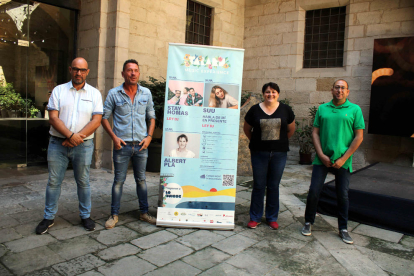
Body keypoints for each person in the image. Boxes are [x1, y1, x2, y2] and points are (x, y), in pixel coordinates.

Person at [35, 57, 103, 234]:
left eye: (82, 70)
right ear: (70, 70)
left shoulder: (95, 94)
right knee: (53, 182)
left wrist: (76, 138)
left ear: (87, 72)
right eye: (75, 69)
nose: (78, 73)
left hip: (84, 145)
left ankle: (85, 216)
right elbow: (53, 118)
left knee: (83, 181)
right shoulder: (58, 91)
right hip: (58, 144)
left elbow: (97, 120)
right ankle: (48, 217)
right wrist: (70, 136)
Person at [301, 79, 364, 244]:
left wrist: (344, 158)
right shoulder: (322, 108)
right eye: (337, 87)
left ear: (348, 92)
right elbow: (315, 133)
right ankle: (308, 222)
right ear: (332, 90)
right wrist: (320, 154)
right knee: (314, 191)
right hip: (322, 158)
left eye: (343, 88)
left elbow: (359, 136)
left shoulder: (355, 109)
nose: (340, 90)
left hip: (343, 160)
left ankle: (343, 228)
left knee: (342, 194)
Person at [102, 59, 156, 229]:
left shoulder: (146, 93)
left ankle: (144, 213)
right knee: (118, 181)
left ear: (139, 73)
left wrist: (149, 137)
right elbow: (104, 118)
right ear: (123, 73)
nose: (133, 73)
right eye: (129, 70)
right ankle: (114, 215)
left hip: (141, 145)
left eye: (136, 70)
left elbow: (151, 117)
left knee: (141, 180)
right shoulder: (114, 93)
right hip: (122, 145)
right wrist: (114, 138)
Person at [244, 82, 295, 230]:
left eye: (273, 92)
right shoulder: (254, 110)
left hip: (279, 154)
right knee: (259, 185)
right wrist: (257, 142)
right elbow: (247, 129)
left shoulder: (286, 110)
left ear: (278, 94)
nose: (270, 94)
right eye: (267, 92)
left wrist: (280, 143)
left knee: (273, 186)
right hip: (259, 153)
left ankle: (272, 217)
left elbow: (290, 130)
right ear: (263, 94)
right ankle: (255, 217)